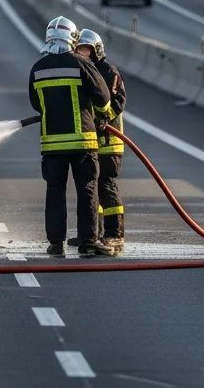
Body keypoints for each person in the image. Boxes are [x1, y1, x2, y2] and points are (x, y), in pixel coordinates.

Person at [28, 16, 114, 257]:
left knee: (55, 191)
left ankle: (56, 243)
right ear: (72, 39)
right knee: (87, 189)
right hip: (82, 142)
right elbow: (103, 97)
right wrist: (102, 115)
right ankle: (89, 241)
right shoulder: (81, 64)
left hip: (51, 145)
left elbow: (36, 104)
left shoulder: (38, 68)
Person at [72, 29, 127, 255]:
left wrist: (105, 118)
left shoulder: (107, 71)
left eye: (86, 50)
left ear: (97, 50)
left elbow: (118, 100)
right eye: (79, 50)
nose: (82, 54)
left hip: (109, 141)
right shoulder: (83, 69)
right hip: (91, 140)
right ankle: (96, 234)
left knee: (106, 185)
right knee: (92, 188)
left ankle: (115, 234)